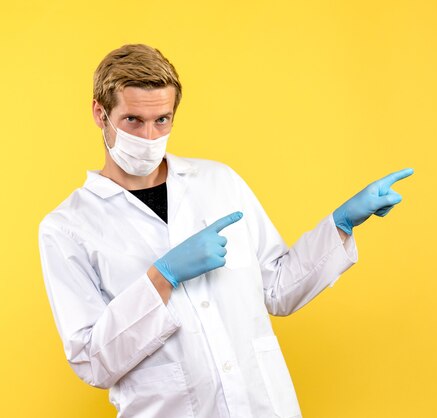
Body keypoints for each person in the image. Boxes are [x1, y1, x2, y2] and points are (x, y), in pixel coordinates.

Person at [38, 44, 413, 418]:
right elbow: (92, 361)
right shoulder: (67, 228)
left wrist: (341, 225)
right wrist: (161, 278)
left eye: (162, 120)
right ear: (100, 113)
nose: (150, 136)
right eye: (133, 120)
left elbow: (278, 289)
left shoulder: (218, 182)